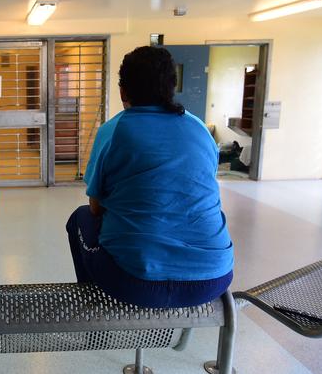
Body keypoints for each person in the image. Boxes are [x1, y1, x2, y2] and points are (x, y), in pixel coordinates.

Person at [66, 46, 234, 308]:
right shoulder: (200, 128)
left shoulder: (115, 129)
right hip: (214, 277)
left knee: (79, 218)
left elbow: (96, 208)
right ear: (172, 87)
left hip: (135, 280)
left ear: (123, 91)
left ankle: (92, 307)